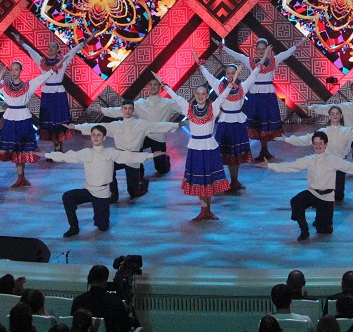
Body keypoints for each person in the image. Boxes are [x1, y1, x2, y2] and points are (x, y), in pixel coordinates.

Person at [39, 125, 164, 236]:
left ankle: (104, 218)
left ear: (104, 138)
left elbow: (129, 156)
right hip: (89, 190)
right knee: (67, 197)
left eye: (99, 135)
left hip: (102, 194)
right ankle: (74, 227)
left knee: (102, 227)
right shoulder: (86, 153)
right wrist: (46, 155)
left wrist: (151, 155)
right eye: (93, 134)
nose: (96, 137)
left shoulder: (110, 152)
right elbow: (66, 156)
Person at [257, 132, 353, 241]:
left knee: (324, 231)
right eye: (315, 143)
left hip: (326, 197)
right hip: (312, 193)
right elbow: (290, 166)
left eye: (320, 143)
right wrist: (270, 166)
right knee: (296, 201)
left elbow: (350, 167)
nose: (318, 146)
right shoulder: (308, 159)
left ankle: (320, 220)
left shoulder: (333, 159)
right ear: (312, 145)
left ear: (325, 145)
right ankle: (304, 230)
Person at [154, 70, 240, 220]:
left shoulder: (213, 108)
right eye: (198, 94)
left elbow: (223, 96)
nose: (200, 96)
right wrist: (165, 85)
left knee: (209, 178)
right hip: (195, 148)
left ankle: (208, 210)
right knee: (200, 178)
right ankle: (203, 209)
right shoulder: (189, 109)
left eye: (203, 94)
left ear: (207, 96)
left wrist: (230, 85)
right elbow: (176, 97)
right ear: (195, 95)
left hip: (209, 147)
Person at [220, 37, 307, 161]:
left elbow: (287, 53)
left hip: (268, 95)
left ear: (267, 49)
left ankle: (264, 149)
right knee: (258, 123)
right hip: (256, 95)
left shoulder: (274, 60)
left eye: (263, 49)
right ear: (255, 50)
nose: (261, 51)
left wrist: (300, 43)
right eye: (259, 49)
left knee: (267, 122)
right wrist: (224, 48)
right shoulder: (250, 61)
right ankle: (262, 150)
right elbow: (237, 56)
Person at [71, 102, 178, 201]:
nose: (127, 111)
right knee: (108, 165)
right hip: (120, 156)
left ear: (133, 110)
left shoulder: (141, 124)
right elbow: (97, 127)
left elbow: (158, 126)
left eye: (130, 108)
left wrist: (177, 125)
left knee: (133, 192)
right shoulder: (115, 125)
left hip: (133, 158)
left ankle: (143, 182)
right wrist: (76, 127)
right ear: (122, 110)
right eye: (125, 108)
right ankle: (113, 194)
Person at [283, 105, 353, 201]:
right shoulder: (323, 131)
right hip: (325, 164)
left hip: (340, 164)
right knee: (322, 193)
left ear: (341, 116)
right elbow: (306, 139)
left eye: (337, 114)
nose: (335, 116)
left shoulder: (347, 131)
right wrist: (287, 139)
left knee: (338, 196)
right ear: (329, 116)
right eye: (332, 114)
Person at [0, 61, 53, 187]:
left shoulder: (28, 85)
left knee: (23, 148)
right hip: (11, 119)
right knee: (14, 149)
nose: (14, 72)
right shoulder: (5, 85)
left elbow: (41, 78)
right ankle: (20, 177)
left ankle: (22, 177)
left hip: (23, 119)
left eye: (16, 69)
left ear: (21, 71)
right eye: (12, 69)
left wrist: (52, 70)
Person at [195, 51, 262, 190]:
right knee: (221, 153)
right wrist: (201, 67)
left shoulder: (243, 87)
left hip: (238, 124)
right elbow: (209, 76)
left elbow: (254, 75)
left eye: (233, 73)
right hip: (225, 124)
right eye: (228, 73)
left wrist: (260, 65)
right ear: (225, 75)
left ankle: (234, 181)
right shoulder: (219, 86)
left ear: (237, 74)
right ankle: (217, 181)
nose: (230, 75)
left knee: (235, 155)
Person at [13, 31, 86, 153]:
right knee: (50, 121)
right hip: (47, 94)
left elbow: (73, 51)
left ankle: (59, 146)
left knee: (59, 121)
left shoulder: (63, 60)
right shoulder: (42, 62)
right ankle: (55, 145)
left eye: (53, 47)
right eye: (49, 47)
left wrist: (85, 42)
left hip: (58, 94)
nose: (50, 49)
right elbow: (32, 52)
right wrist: (21, 42)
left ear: (57, 50)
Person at [99, 77, 182, 175]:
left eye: (155, 84)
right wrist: (102, 110)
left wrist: (195, 115)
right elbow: (120, 111)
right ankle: (139, 173)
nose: (153, 87)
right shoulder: (140, 103)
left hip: (158, 137)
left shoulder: (168, 103)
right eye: (150, 84)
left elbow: (184, 109)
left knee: (161, 169)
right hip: (143, 136)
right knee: (134, 149)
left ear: (160, 87)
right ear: (147, 87)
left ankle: (165, 159)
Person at [69, 265, 132, 332]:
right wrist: (130, 319)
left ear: (90, 280)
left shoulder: (78, 301)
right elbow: (125, 327)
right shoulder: (115, 301)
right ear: (105, 280)